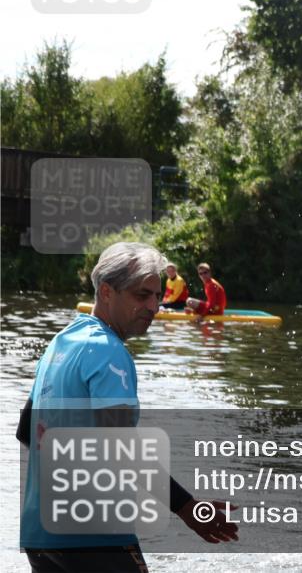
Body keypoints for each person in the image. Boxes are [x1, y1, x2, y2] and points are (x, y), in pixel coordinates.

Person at [17, 242, 238, 572]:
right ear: (106, 292)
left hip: (41, 534)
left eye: (156, 295)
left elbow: (25, 431)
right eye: (141, 295)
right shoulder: (110, 353)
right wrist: (186, 506)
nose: (154, 306)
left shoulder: (60, 342)